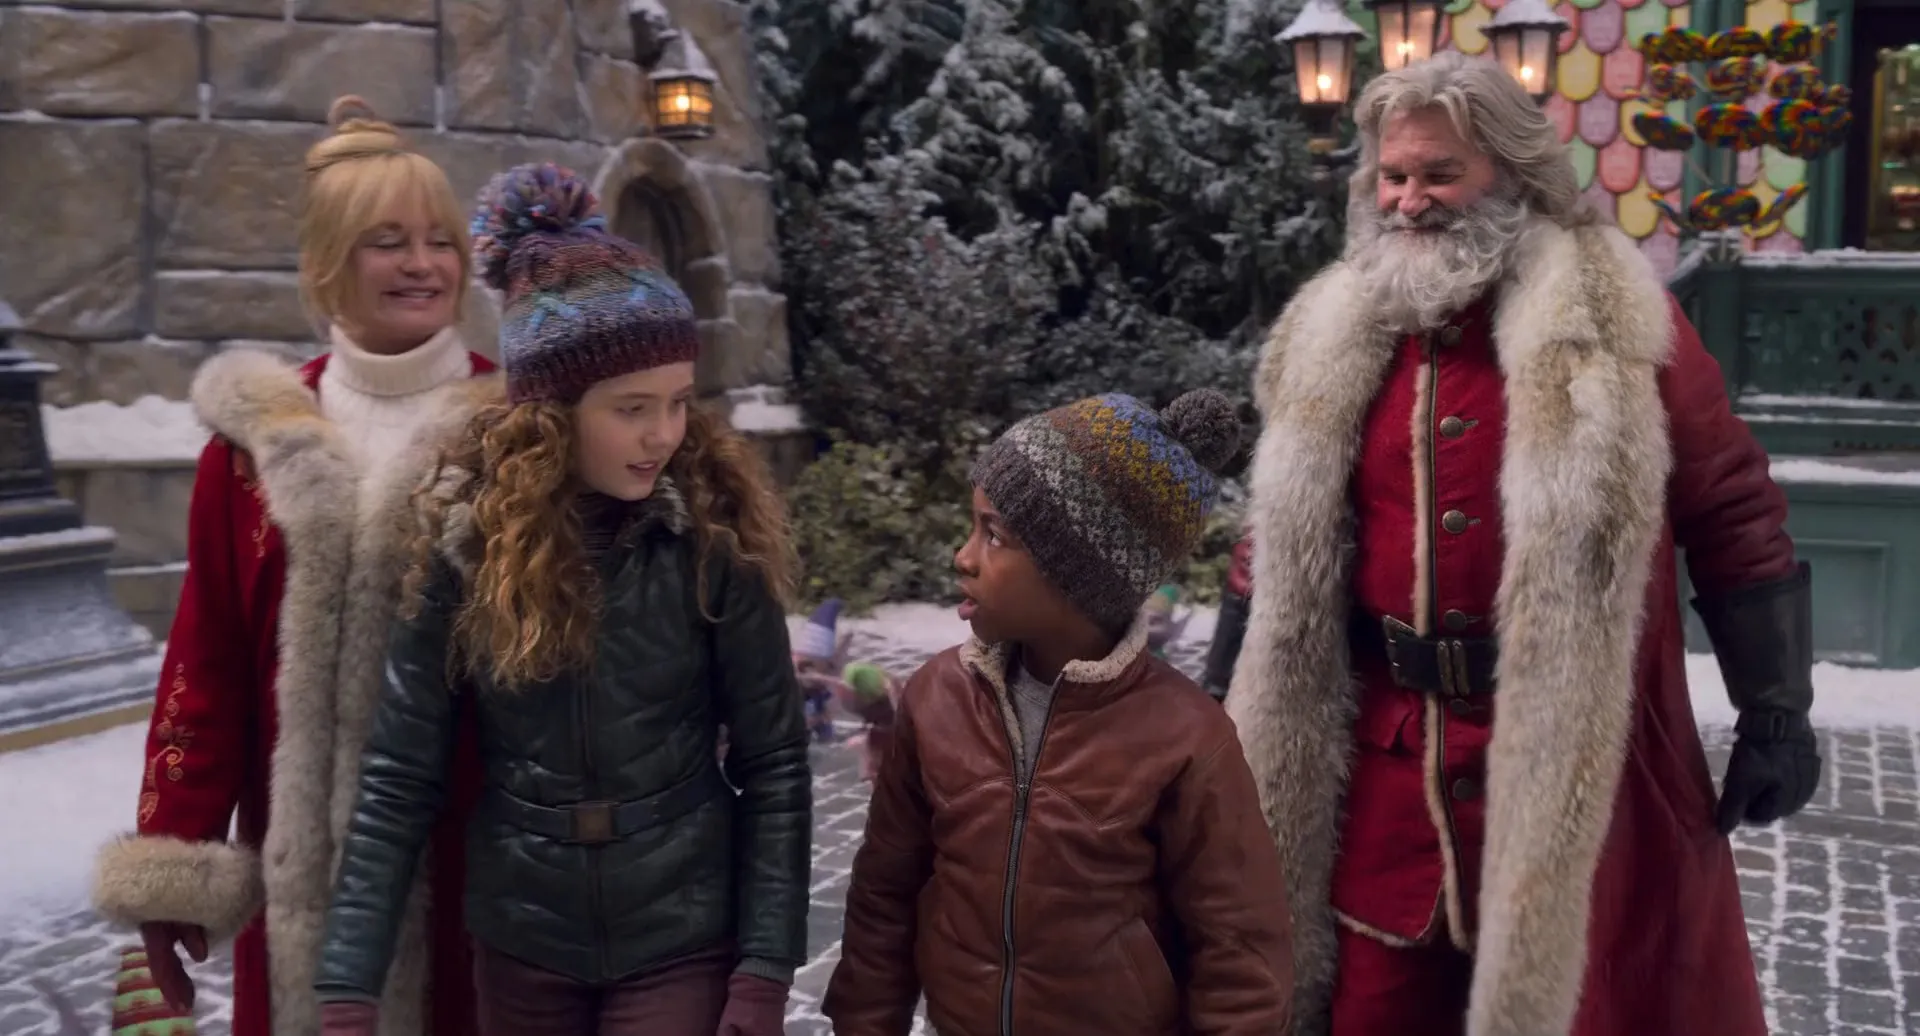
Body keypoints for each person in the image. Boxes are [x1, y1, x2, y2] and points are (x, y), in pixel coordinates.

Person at [1227, 52, 1821, 1036]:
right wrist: (1220, 699)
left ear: (1511, 173)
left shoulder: (1617, 325)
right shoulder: (1331, 332)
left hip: (1582, 774)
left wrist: (1775, 709)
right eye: (1393, 175)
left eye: (1440, 173)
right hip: (1386, 789)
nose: (1409, 200)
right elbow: (1275, 537)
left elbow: (1730, 503)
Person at [309, 162, 811, 1036]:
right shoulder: (467, 550)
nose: (663, 434)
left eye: (678, 403)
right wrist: (348, 985)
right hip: (523, 940)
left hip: (681, 929)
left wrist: (765, 971)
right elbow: (400, 777)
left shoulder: (713, 542)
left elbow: (774, 763)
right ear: (549, 414)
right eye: (631, 408)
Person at [90, 95, 498, 1036]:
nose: (423, 263)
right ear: (327, 265)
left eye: (440, 241)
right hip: (302, 880)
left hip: (480, 865)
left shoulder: (519, 429)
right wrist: (173, 868)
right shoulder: (252, 450)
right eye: (387, 242)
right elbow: (207, 667)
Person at [823, 389, 1295, 1036]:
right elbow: (884, 898)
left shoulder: (1186, 739)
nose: (963, 556)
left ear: (1079, 573)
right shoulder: (937, 699)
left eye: (994, 535)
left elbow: (1240, 955)